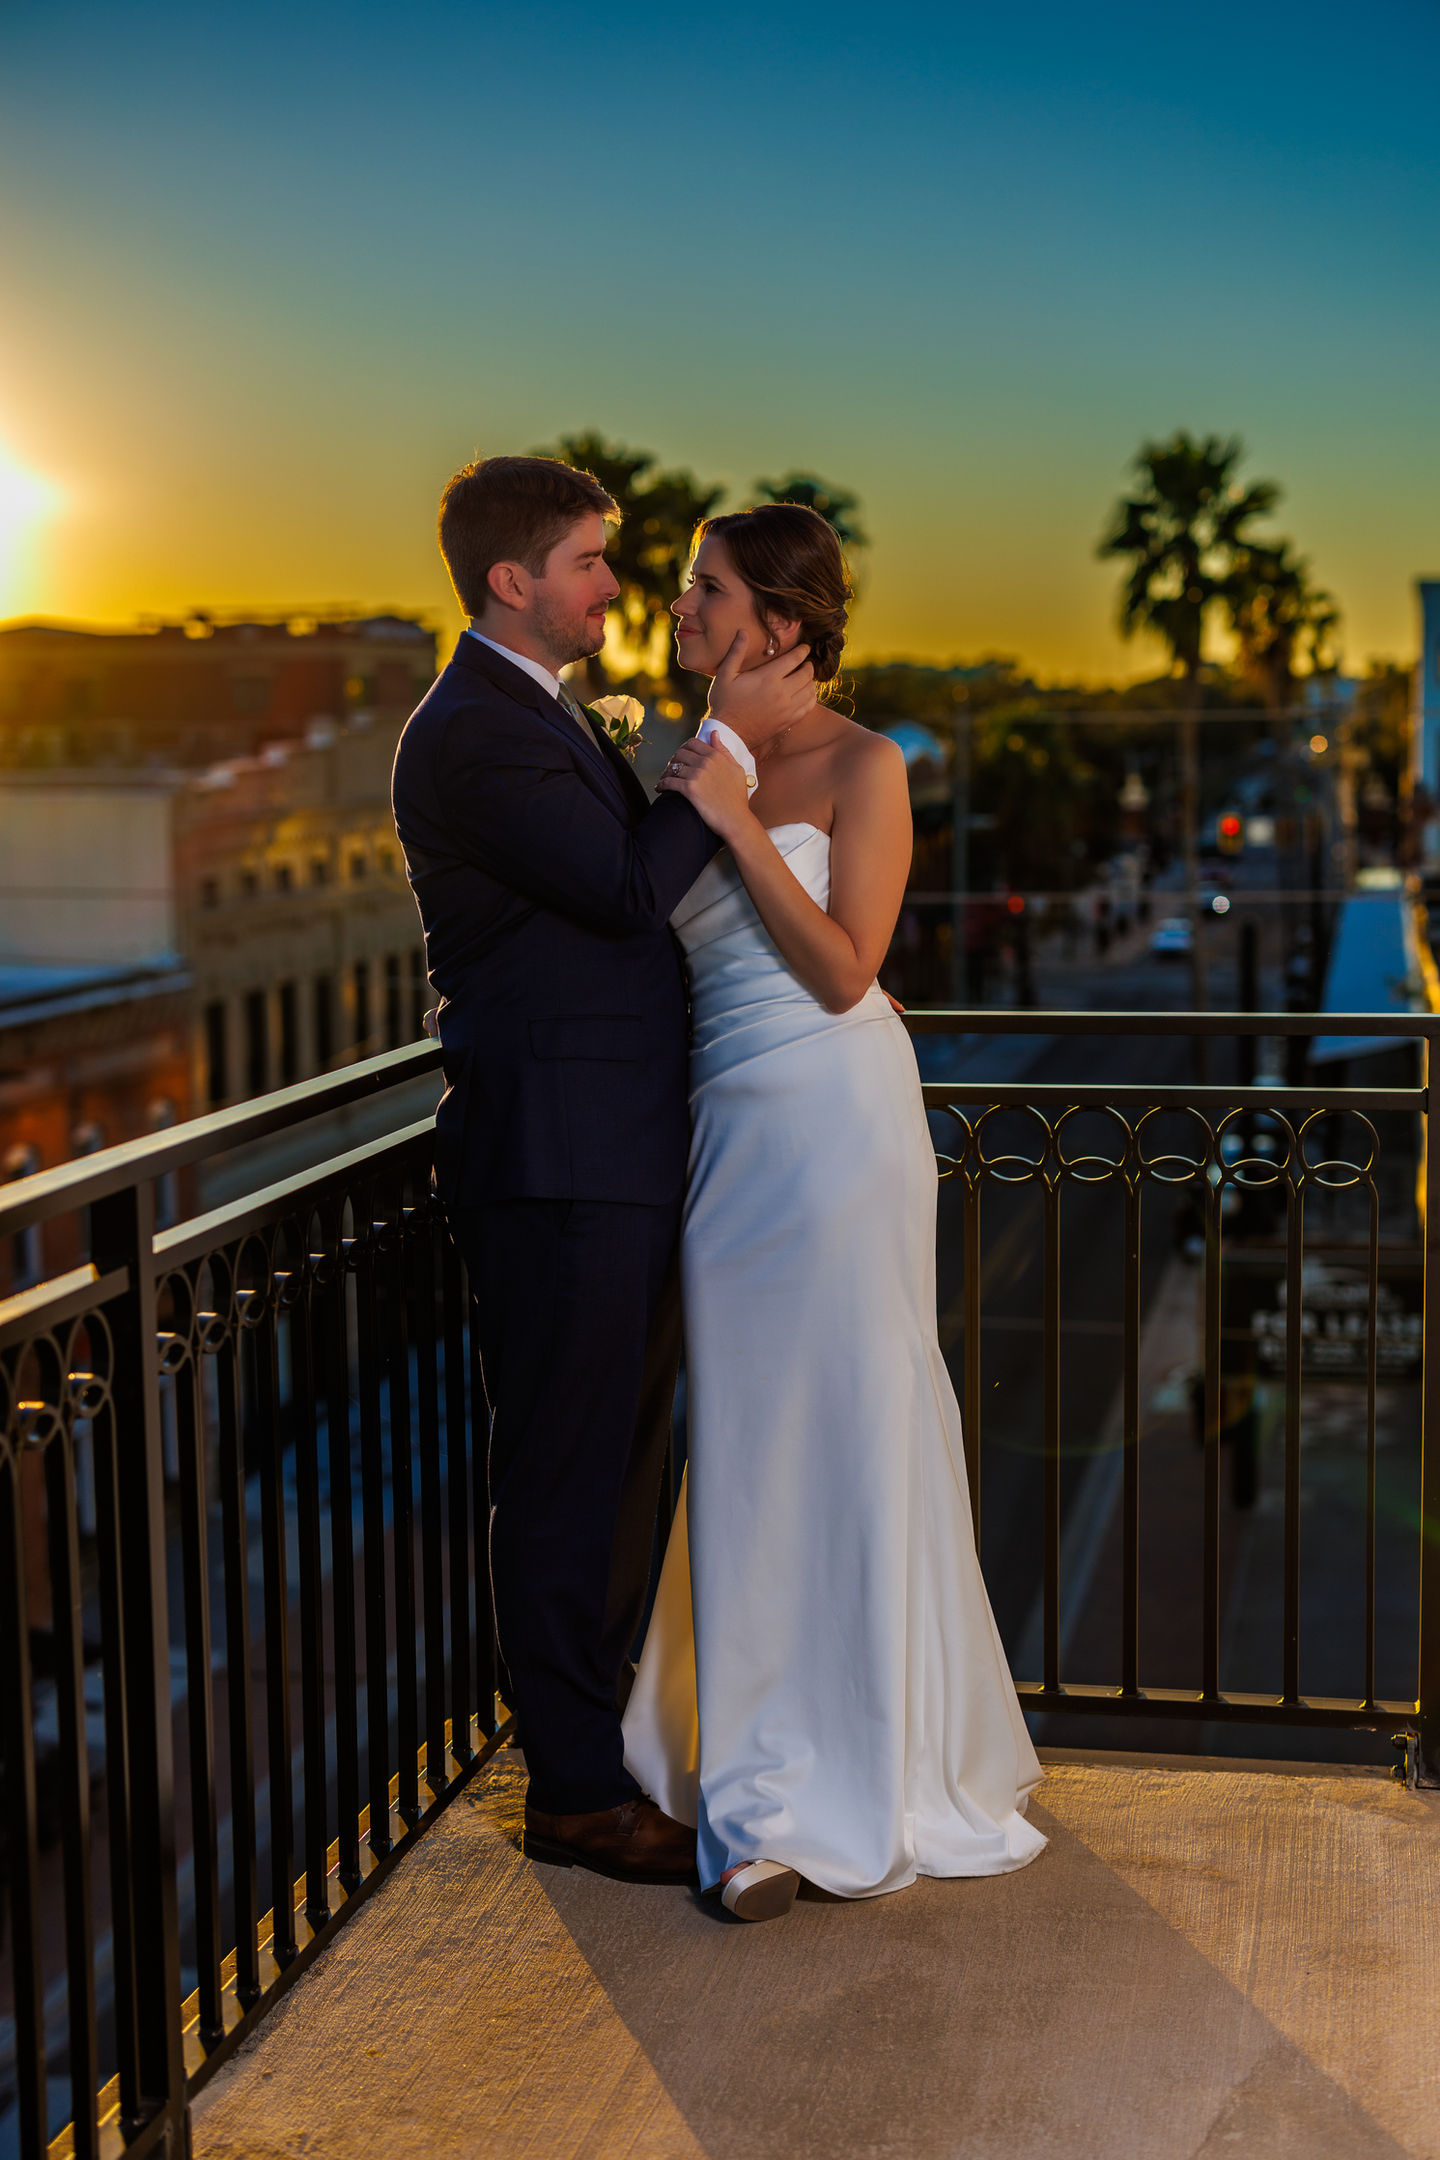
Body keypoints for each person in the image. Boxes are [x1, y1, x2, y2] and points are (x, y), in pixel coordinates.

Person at [391, 455, 815, 1885]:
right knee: (569, 1476)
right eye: (588, 561)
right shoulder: (472, 735)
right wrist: (733, 751)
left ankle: (609, 1749)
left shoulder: (538, 717)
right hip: (557, 1159)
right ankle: (572, 1788)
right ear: (513, 581)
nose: (613, 587)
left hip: (614, 1153)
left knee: (618, 1464)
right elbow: (635, 888)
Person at [621, 503, 1045, 1920]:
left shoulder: (868, 764)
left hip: (840, 1126)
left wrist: (735, 821)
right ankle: (751, 1787)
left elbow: (847, 972)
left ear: (783, 625)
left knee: (856, 1421)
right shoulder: (675, 758)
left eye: (708, 589)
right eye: (687, 585)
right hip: (726, 1137)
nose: (682, 607)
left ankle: (823, 1793)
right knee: (743, 1439)